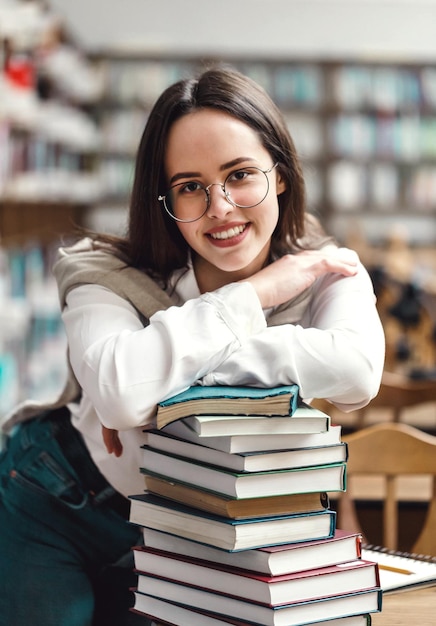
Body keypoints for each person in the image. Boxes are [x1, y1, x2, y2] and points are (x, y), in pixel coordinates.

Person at [0, 66, 385, 626]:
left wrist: (162, 382)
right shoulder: (98, 271)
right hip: (59, 498)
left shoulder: (325, 269)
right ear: (164, 200)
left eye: (241, 175)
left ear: (279, 175)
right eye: (190, 187)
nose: (221, 207)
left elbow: (356, 374)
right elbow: (116, 392)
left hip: (204, 530)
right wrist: (253, 296)